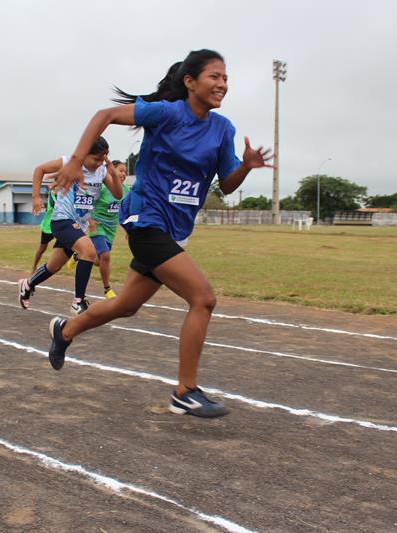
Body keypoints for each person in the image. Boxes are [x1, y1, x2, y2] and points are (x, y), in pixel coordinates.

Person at [46, 49, 273, 418]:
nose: (222, 84)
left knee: (126, 305)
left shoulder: (222, 129)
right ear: (190, 81)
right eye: (214, 76)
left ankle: (65, 331)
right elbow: (104, 115)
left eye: (226, 78)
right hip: (145, 219)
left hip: (177, 229)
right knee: (203, 298)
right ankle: (185, 391)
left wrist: (246, 166)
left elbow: (227, 186)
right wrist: (74, 161)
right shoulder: (167, 114)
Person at [18, 137, 123, 315]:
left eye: (102, 160)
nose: (98, 163)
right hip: (62, 220)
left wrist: (112, 173)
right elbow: (40, 169)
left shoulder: (102, 172)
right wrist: (36, 197)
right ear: (85, 154)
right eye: (95, 159)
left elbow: (118, 194)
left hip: (79, 225)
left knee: (54, 266)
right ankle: (78, 302)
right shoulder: (69, 162)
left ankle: (27, 285)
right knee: (89, 251)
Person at [89, 159, 130, 299]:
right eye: (120, 170)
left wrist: (128, 231)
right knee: (105, 255)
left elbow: (125, 213)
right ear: (110, 171)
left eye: (125, 172)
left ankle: (78, 255)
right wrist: (89, 219)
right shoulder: (102, 187)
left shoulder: (126, 191)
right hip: (97, 225)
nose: (123, 174)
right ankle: (107, 289)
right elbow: (87, 203)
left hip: (111, 230)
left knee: (98, 261)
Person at [28, 190, 56, 277]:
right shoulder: (51, 194)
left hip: (60, 226)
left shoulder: (67, 194)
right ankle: (34, 267)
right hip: (48, 227)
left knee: (68, 245)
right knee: (42, 249)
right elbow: (55, 204)